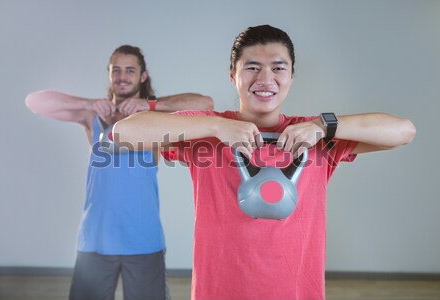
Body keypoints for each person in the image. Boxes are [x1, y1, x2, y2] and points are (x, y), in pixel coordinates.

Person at [113, 25, 416, 300]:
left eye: (278, 68)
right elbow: (124, 132)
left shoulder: (315, 136)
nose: (265, 79)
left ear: (292, 76)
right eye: (252, 67)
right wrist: (217, 127)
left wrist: (324, 127)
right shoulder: (205, 128)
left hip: (298, 293)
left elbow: (403, 131)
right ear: (233, 75)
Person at [25, 44, 213, 300]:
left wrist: (148, 105)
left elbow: (205, 103)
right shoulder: (91, 115)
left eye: (129, 70)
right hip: (95, 240)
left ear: (142, 76)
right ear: (109, 74)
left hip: (143, 240)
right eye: (116, 70)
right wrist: (90, 102)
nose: (122, 77)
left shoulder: (154, 119)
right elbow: (34, 102)